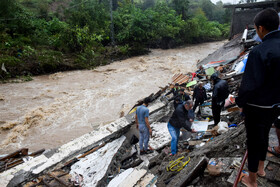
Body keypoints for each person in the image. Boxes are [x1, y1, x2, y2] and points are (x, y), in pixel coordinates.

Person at [235, 8, 280, 187]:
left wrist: (240, 103)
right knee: (264, 136)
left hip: (257, 107)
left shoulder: (259, 52)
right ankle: (261, 168)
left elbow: (250, 85)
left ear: (261, 28)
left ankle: (252, 179)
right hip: (275, 105)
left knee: (254, 142)